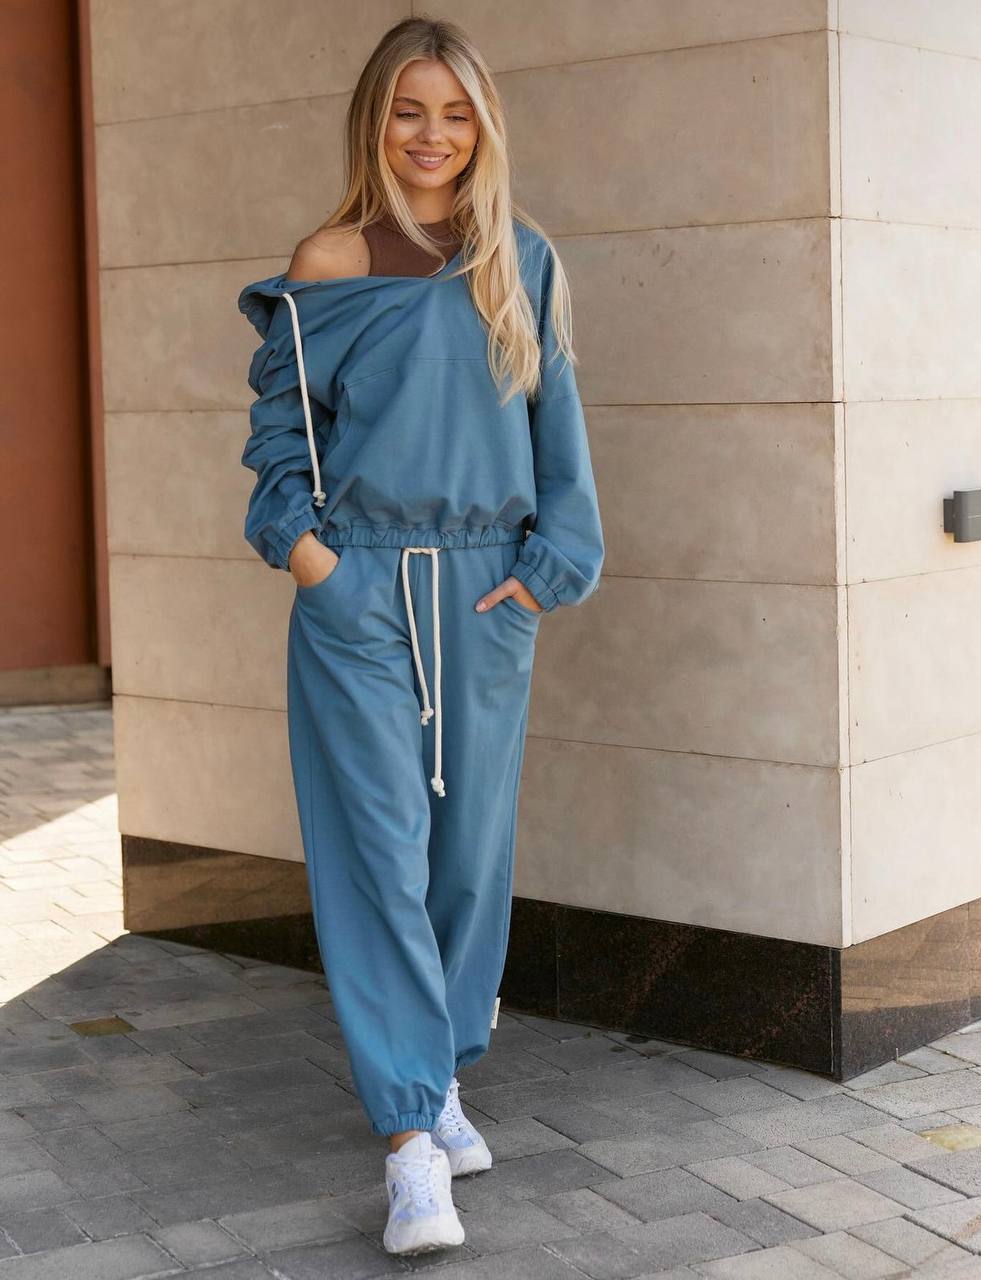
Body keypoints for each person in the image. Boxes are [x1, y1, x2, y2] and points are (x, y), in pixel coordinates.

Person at [237, 14, 604, 1257]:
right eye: (409, 110)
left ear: (482, 126)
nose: (432, 135)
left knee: (465, 857)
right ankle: (407, 1145)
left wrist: (550, 573)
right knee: (377, 855)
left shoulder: (524, 262)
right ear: (373, 121)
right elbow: (281, 453)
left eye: (455, 112)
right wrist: (323, 571)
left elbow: (563, 448)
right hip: (361, 595)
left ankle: (442, 1071)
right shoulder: (331, 260)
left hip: (489, 592)